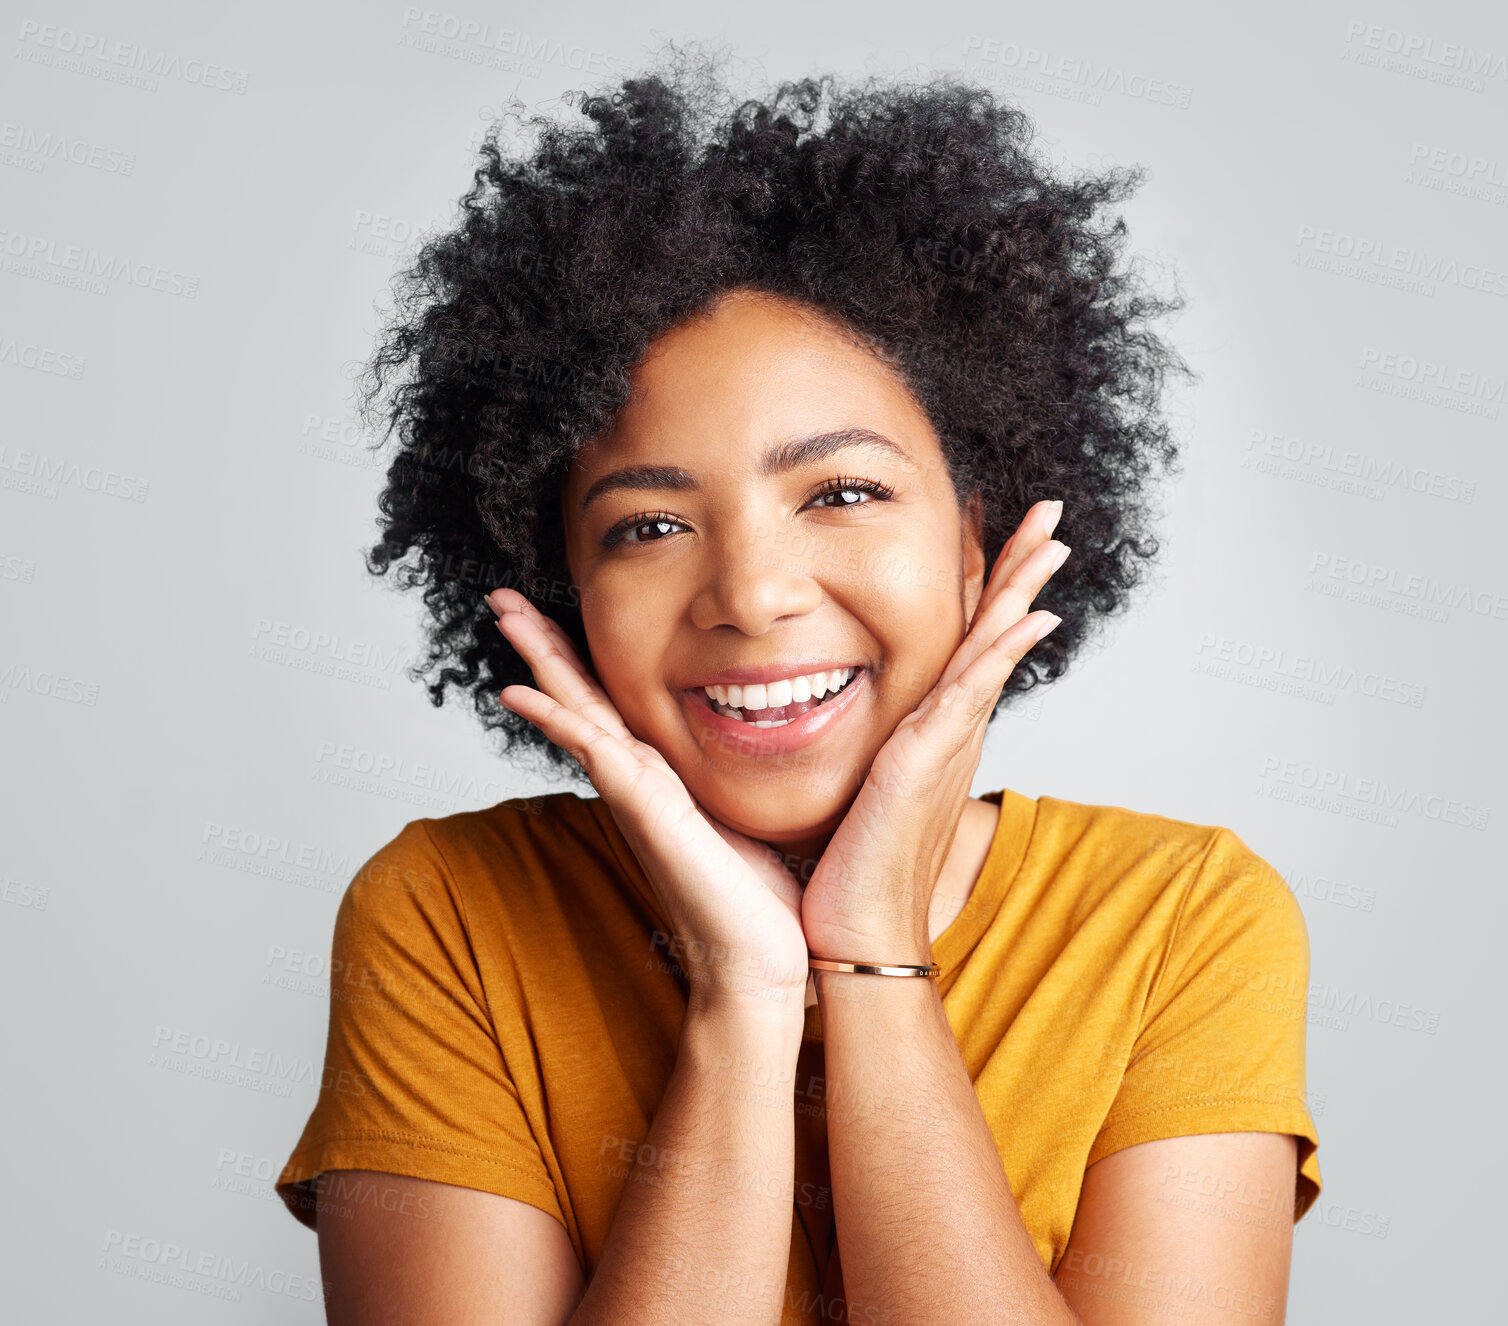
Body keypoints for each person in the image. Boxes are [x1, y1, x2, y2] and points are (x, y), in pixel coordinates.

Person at [276, 48, 1321, 1325]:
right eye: (647, 526)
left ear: (975, 532)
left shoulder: (1176, 923)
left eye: (840, 494)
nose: (751, 595)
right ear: (558, 586)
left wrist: (873, 958)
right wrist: (745, 997)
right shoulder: (448, 917)